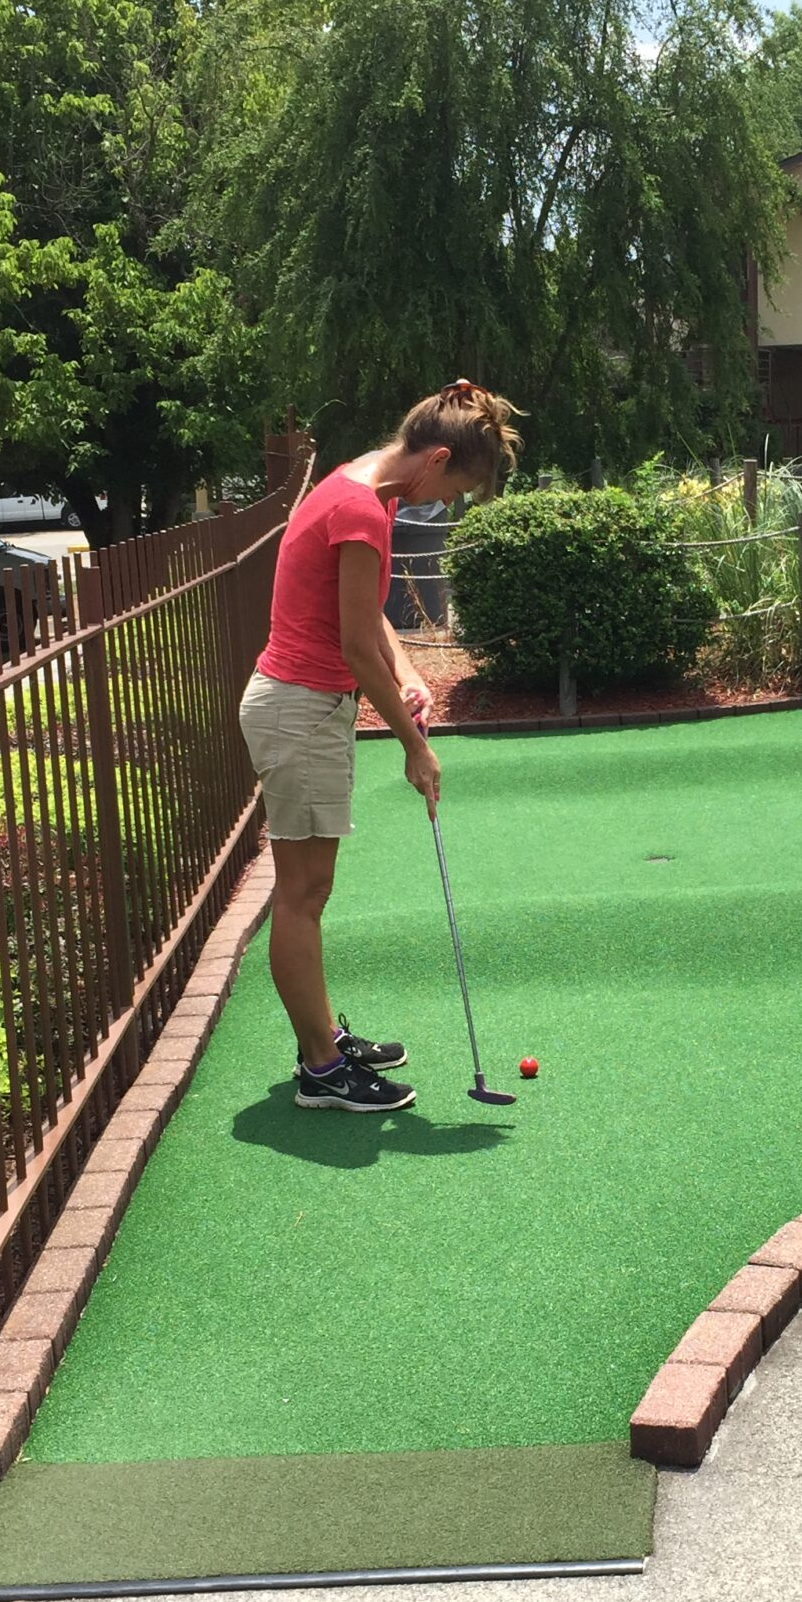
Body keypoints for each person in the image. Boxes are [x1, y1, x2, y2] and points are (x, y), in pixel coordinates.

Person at [238, 381, 524, 1114]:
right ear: (434, 457)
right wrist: (412, 745)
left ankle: (321, 1037)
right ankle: (323, 1071)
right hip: (299, 710)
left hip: (307, 707)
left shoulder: (366, 482)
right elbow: (355, 644)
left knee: (312, 891)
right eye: (455, 486)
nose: (447, 502)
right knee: (302, 896)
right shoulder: (362, 508)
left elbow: (368, 625)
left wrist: (410, 675)